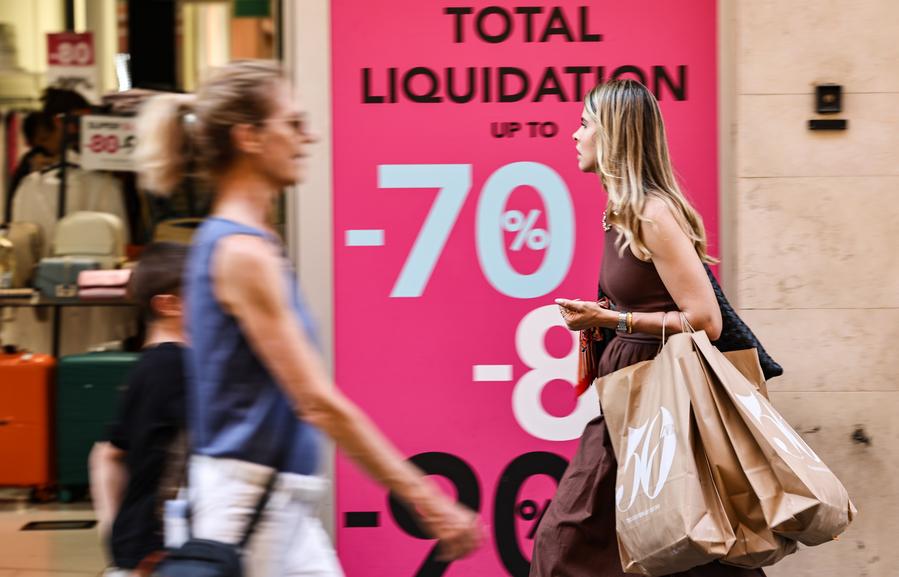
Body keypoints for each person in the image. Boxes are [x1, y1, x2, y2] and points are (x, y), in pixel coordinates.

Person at [133, 60, 483, 577]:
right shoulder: (242, 253)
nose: (309, 137)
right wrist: (425, 498)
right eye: (293, 123)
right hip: (250, 507)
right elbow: (317, 401)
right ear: (249, 137)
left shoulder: (244, 243)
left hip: (270, 500)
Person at [529, 79, 764, 576]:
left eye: (585, 124)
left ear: (612, 135)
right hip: (629, 400)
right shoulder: (620, 214)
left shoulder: (651, 215)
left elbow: (706, 319)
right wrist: (602, 319)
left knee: (571, 543)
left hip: (657, 402)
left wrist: (612, 318)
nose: (575, 135)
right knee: (663, 543)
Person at [88, 242, 190, 575]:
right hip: (159, 545)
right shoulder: (172, 366)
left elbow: (106, 453)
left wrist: (115, 532)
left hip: (141, 543)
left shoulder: (150, 366)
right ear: (168, 305)